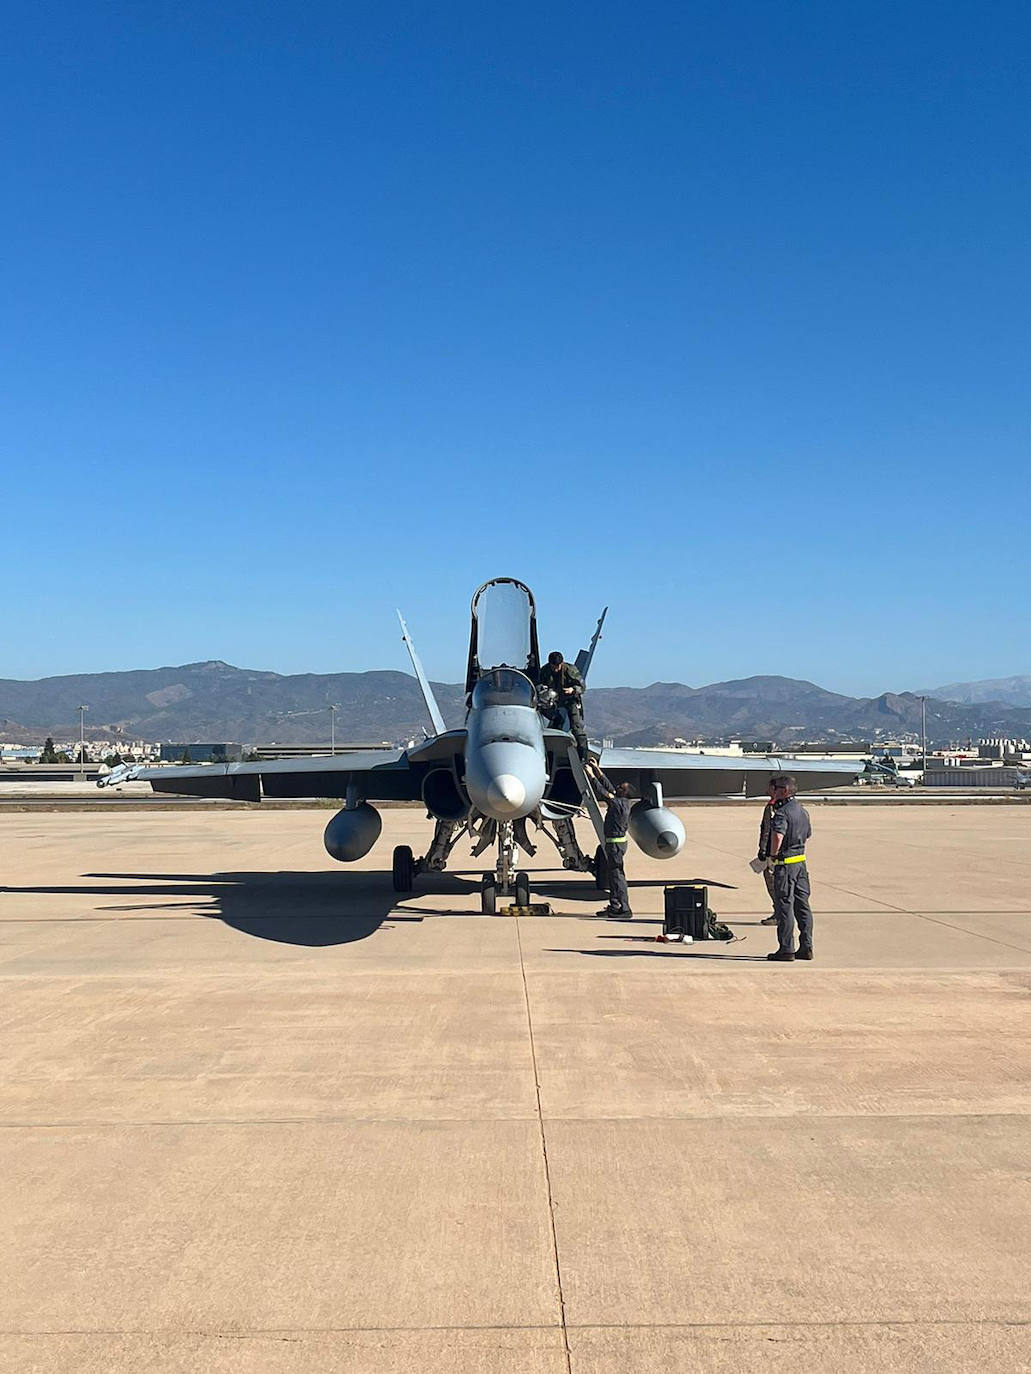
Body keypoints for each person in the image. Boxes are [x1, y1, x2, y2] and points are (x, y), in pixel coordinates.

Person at [766, 774, 814, 962]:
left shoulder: (782, 813)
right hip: (800, 864)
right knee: (803, 906)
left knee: (785, 907)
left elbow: (778, 836)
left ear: (784, 791)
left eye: (775, 788)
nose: (771, 791)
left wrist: (772, 855)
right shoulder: (803, 811)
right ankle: (806, 947)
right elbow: (808, 835)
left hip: (785, 866)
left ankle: (786, 949)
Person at [587, 761, 634, 919]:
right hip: (615, 844)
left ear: (625, 793)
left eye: (622, 787)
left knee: (617, 877)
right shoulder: (620, 802)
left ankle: (624, 908)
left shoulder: (619, 805)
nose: (618, 787)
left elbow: (603, 792)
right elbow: (609, 788)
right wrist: (597, 769)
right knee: (613, 876)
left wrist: (591, 775)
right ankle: (615, 906)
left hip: (615, 845)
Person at [538, 650, 588, 761]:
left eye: (558, 666)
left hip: (570, 700)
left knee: (576, 727)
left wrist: (573, 689)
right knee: (554, 727)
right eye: (553, 666)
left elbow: (582, 687)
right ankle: (552, 754)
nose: (556, 668)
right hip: (553, 701)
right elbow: (538, 684)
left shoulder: (570, 670)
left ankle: (583, 756)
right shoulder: (545, 671)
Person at [757, 780, 778, 925]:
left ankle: (779, 913)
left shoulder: (772, 807)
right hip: (781, 852)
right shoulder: (788, 806)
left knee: (772, 881)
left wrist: (763, 850)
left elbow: (767, 830)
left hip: (772, 853)